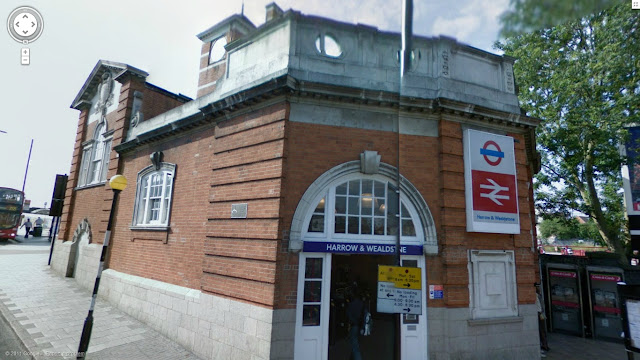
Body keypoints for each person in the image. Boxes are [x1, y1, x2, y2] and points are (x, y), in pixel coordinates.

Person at [347, 282, 364, 360]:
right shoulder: (361, 303)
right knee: (356, 344)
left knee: (354, 346)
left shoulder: (351, 304)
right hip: (360, 325)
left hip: (354, 325)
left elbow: (349, 315)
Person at [535, 283, 550, 357]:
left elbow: (541, 305)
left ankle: (544, 345)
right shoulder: (535, 295)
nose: (539, 288)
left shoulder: (539, 295)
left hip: (541, 313)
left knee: (543, 330)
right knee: (541, 330)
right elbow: (538, 306)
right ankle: (543, 345)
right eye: (537, 287)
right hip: (538, 313)